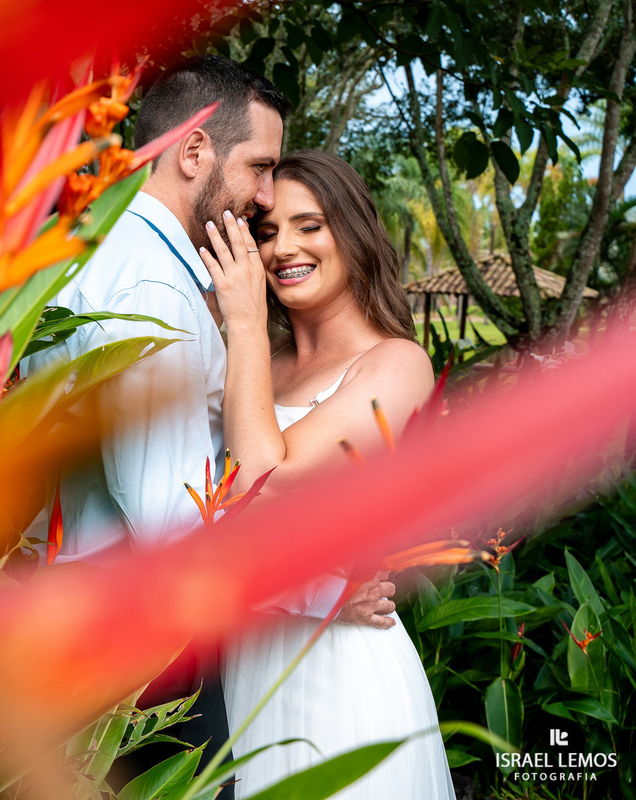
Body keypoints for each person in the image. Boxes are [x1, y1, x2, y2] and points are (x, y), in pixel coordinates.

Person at [20, 58, 397, 795]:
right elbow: (171, 519)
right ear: (194, 152)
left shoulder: (92, 251)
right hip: (140, 651)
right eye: (258, 167)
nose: (262, 197)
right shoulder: (154, 288)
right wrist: (321, 593)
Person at [198, 149, 455, 798]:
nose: (284, 247)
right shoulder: (261, 364)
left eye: (310, 225)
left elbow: (257, 475)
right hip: (245, 664)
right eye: (267, 231)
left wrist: (246, 322)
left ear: (353, 233)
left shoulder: (394, 365)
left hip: (343, 672)